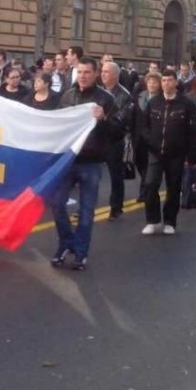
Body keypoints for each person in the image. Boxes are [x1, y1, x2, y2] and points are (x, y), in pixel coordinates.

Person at [50, 56, 122, 270]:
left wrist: (103, 120)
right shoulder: (68, 96)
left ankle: (80, 253)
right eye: (79, 72)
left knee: (86, 210)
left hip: (91, 162)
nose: (82, 76)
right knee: (57, 204)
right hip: (68, 160)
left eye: (87, 72)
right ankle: (66, 244)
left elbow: (119, 131)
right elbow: (58, 125)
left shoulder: (106, 99)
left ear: (95, 74)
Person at [141, 69, 196, 235]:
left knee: (173, 188)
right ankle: (152, 220)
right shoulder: (154, 102)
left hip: (176, 153)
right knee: (150, 184)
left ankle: (169, 221)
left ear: (175, 82)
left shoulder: (186, 104)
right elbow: (144, 126)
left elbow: (193, 131)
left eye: (169, 80)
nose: (166, 83)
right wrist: (150, 140)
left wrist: (192, 155)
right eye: (164, 80)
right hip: (155, 152)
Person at [100, 61, 133, 220]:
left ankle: (116, 206)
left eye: (106, 72)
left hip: (115, 139)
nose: (103, 74)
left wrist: (103, 119)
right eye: (102, 71)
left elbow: (121, 119)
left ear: (115, 75)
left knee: (115, 175)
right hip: (98, 139)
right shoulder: (99, 92)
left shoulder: (124, 95)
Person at [133, 72, 161, 203]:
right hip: (138, 138)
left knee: (149, 166)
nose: (152, 84)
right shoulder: (139, 96)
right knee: (140, 163)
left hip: (152, 138)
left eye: (155, 82)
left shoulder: (161, 99)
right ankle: (145, 187)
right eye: (150, 81)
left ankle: (144, 192)